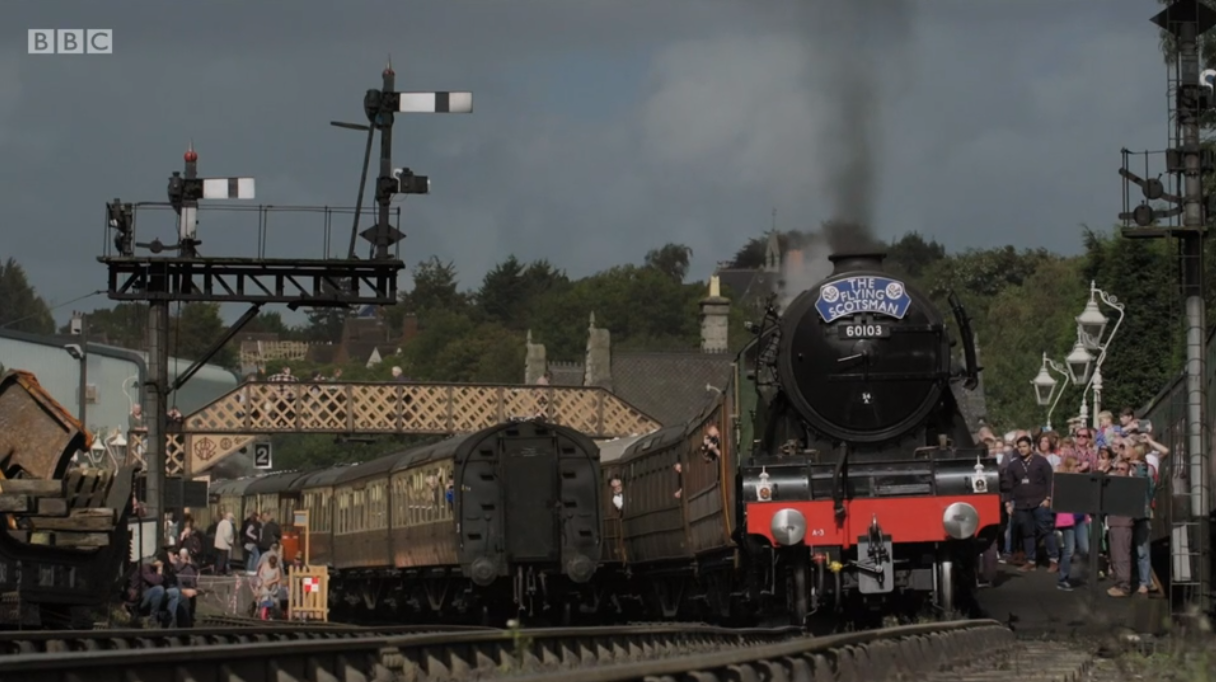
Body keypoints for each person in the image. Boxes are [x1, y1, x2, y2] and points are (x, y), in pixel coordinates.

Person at [1000, 435, 1058, 572]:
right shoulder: (1013, 465)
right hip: (1021, 504)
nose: (1022, 449)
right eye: (1019, 447)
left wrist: (1048, 498)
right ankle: (1031, 560)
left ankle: (1054, 559)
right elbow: (1008, 485)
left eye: (1024, 446)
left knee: (1046, 531)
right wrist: (1007, 503)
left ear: (1030, 447)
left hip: (1040, 502)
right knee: (1027, 533)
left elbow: (1050, 480)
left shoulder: (1041, 462)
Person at [214, 511, 235, 575]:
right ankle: (220, 571)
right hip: (224, 545)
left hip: (218, 544)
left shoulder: (221, 522)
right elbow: (227, 535)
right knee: (223, 559)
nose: (232, 520)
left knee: (220, 558)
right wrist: (231, 541)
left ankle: (220, 570)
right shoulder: (228, 524)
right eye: (232, 518)